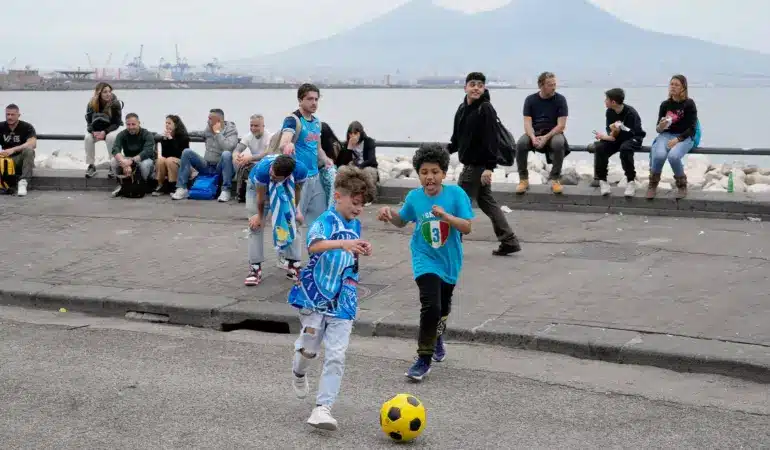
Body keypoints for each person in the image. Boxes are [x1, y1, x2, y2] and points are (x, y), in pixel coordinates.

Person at [288, 165, 376, 431]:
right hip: (315, 297)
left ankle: (322, 408)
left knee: (336, 355)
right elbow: (314, 246)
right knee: (309, 351)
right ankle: (299, 371)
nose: (359, 208)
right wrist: (343, 244)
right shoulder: (325, 220)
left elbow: (350, 250)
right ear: (338, 196)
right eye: (355, 202)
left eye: (363, 204)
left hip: (344, 300)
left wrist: (361, 247)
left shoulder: (356, 223)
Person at [376, 144, 474, 382]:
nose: (429, 177)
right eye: (424, 172)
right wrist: (390, 216)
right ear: (418, 174)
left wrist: (447, 217)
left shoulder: (456, 195)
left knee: (443, 309)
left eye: (434, 172)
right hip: (423, 257)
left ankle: (437, 337)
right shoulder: (414, 197)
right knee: (431, 305)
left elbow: (467, 227)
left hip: (449, 260)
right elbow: (402, 221)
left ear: (443, 173)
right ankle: (423, 358)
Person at [448, 71, 521, 256]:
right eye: (472, 84)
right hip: (472, 165)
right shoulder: (462, 108)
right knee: (487, 202)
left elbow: (492, 140)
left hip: (477, 166)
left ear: (484, 88)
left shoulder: (486, 108)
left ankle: (452, 245)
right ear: (465, 87)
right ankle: (509, 240)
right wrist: (441, 151)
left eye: (480, 85)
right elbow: (456, 140)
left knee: (459, 203)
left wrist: (489, 168)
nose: (476, 88)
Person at [246, 154, 308, 286]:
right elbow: (260, 197)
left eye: (275, 177)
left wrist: (296, 211)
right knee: (255, 226)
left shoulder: (300, 170)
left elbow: (297, 190)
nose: (271, 176)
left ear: (286, 176)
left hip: (286, 188)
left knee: (294, 222)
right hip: (257, 189)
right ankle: (255, 268)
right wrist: (259, 216)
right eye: (272, 173)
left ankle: (293, 264)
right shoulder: (264, 170)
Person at [280, 84, 335, 225]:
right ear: (300, 100)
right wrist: (289, 144)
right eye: (310, 99)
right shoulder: (293, 120)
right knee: (294, 220)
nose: (314, 103)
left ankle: (315, 246)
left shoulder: (317, 122)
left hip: (315, 177)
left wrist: (326, 160)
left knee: (319, 220)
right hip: (299, 179)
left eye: (316, 99)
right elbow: (283, 144)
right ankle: (289, 247)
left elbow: (318, 148)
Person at [515, 71, 570, 195]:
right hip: (535, 132)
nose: (553, 87)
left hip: (553, 132)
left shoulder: (560, 100)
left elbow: (561, 125)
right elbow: (527, 123)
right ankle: (523, 179)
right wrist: (533, 137)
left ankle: (555, 179)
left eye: (554, 84)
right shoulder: (530, 100)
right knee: (521, 144)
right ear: (541, 85)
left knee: (558, 143)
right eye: (550, 85)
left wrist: (545, 137)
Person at [647, 74, 698, 199]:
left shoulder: (689, 104)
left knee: (674, 156)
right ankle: (652, 185)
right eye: (671, 84)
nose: (673, 87)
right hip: (666, 135)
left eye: (676, 85)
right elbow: (658, 129)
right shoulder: (665, 105)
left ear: (683, 88)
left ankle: (682, 185)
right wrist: (662, 125)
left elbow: (692, 128)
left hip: (684, 137)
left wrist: (677, 139)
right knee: (659, 156)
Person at [588, 88, 646, 197]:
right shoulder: (609, 112)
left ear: (613, 102)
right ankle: (603, 180)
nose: (605, 101)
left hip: (633, 138)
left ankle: (630, 181)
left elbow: (632, 133)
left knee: (625, 148)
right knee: (600, 147)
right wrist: (608, 135)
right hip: (617, 138)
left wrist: (615, 133)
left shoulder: (630, 113)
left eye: (606, 99)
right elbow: (611, 133)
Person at [171, 108, 238, 202]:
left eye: (210, 118)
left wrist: (218, 133)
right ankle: (182, 188)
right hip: (206, 165)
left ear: (218, 120)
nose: (208, 120)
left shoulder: (231, 131)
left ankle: (226, 190)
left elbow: (229, 147)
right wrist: (179, 133)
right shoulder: (208, 128)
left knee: (226, 154)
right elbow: (201, 133)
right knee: (187, 152)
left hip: (221, 168)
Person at [109, 113, 157, 197]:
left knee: (144, 164)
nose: (131, 127)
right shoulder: (122, 134)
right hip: (128, 159)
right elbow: (115, 149)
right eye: (128, 124)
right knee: (113, 161)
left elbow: (147, 152)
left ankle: (140, 185)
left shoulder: (147, 134)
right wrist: (123, 162)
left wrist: (131, 161)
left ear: (139, 123)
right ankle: (122, 185)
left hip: (144, 159)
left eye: (133, 124)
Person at [84, 82, 124, 178]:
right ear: (99, 93)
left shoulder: (115, 104)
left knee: (110, 138)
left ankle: (113, 165)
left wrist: (105, 132)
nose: (108, 94)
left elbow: (117, 123)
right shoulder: (91, 104)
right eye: (105, 92)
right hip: (97, 130)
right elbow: (89, 122)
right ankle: (91, 165)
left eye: (109, 91)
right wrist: (92, 131)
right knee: (88, 138)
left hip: (112, 128)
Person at [0, 104, 37, 197]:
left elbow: (32, 143)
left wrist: (13, 149)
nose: (10, 117)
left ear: (18, 115)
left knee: (29, 151)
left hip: (20, 159)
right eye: (7, 114)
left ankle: (23, 183)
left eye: (12, 115)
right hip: (5, 160)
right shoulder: (1, 126)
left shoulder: (26, 127)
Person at [234, 114, 272, 203]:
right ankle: (240, 194)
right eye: (251, 126)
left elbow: (267, 154)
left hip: (267, 163)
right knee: (242, 163)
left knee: (249, 165)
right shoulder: (248, 136)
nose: (253, 128)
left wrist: (250, 158)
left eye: (256, 126)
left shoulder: (269, 137)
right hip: (254, 163)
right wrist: (236, 156)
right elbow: (237, 149)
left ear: (263, 126)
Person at [153, 115, 191, 196]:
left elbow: (180, 154)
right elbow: (164, 154)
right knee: (160, 160)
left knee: (170, 160)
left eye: (169, 123)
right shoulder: (165, 137)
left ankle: (174, 185)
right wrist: (165, 140)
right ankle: (160, 185)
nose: (167, 125)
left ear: (176, 125)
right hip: (169, 160)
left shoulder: (183, 136)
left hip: (181, 162)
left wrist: (171, 139)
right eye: (166, 123)